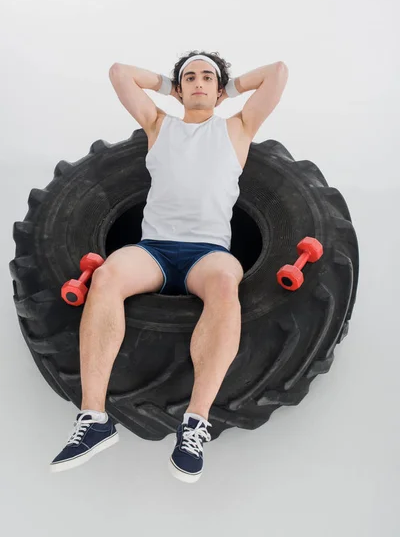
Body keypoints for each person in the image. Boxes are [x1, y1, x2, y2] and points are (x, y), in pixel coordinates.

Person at [50, 50, 288, 482]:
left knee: (224, 284)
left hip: (207, 252)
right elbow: (120, 73)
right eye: (190, 78)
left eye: (207, 78)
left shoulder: (237, 128)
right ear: (178, 90)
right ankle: (94, 419)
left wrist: (225, 90)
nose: (199, 82)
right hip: (155, 249)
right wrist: (171, 88)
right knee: (106, 277)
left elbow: (277, 73)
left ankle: (194, 423)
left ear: (219, 89)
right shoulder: (160, 126)